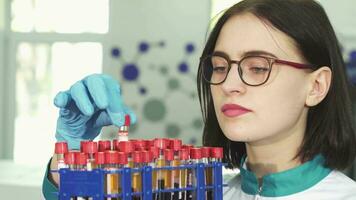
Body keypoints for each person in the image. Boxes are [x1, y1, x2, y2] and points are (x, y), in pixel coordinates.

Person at [42, 0, 356, 199]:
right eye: (219, 67)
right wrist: (68, 163)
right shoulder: (192, 192)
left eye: (258, 67)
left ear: (316, 86)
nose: (229, 84)